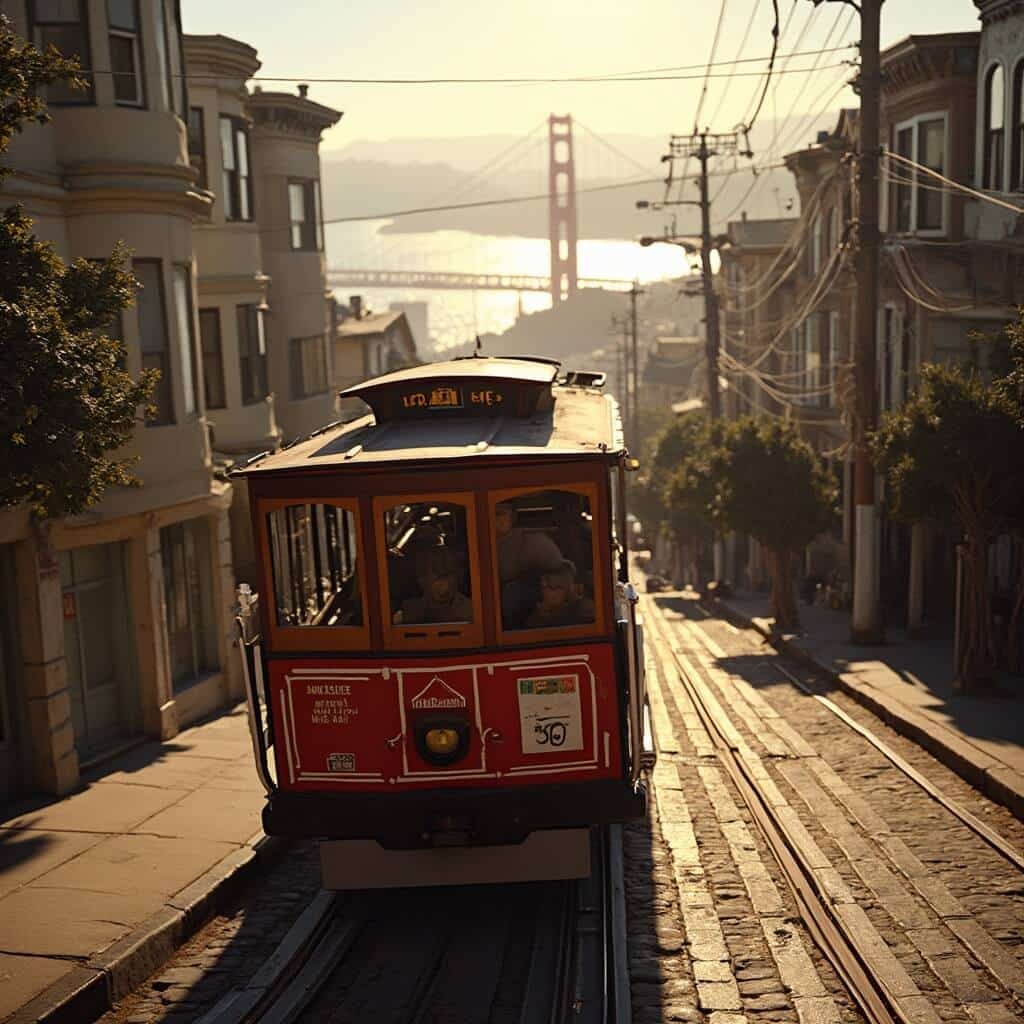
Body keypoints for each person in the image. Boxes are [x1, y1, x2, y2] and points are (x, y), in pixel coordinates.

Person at [495, 501, 565, 627]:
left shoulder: (536, 542)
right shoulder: (472, 547)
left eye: (499, 513)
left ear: (513, 517)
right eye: (490, 514)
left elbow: (560, 578)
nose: (493, 519)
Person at [394, 546, 472, 625]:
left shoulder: (471, 611)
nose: (444, 583)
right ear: (421, 579)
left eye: (448, 574)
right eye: (437, 574)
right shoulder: (408, 612)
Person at [525, 559, 595, 629]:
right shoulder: (538, 616)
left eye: (553, 587)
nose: (545, 591)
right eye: (543, 587)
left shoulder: (584, 609)